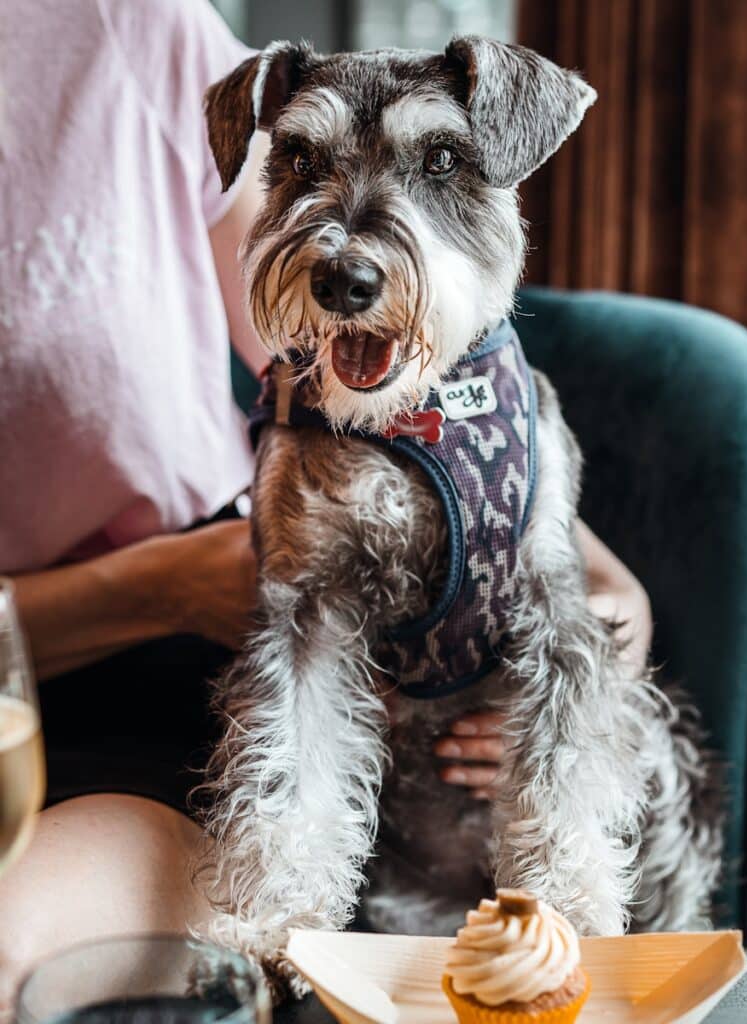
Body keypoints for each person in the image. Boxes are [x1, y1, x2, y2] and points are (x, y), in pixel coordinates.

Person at [0, 0, 652, 1011]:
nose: (345, 246)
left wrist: (584, 570)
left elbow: (359, 407)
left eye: (433, 167)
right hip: (164, 666)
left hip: (166, 696)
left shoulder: (124, 24)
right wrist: (158, 583)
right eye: (300, 167)